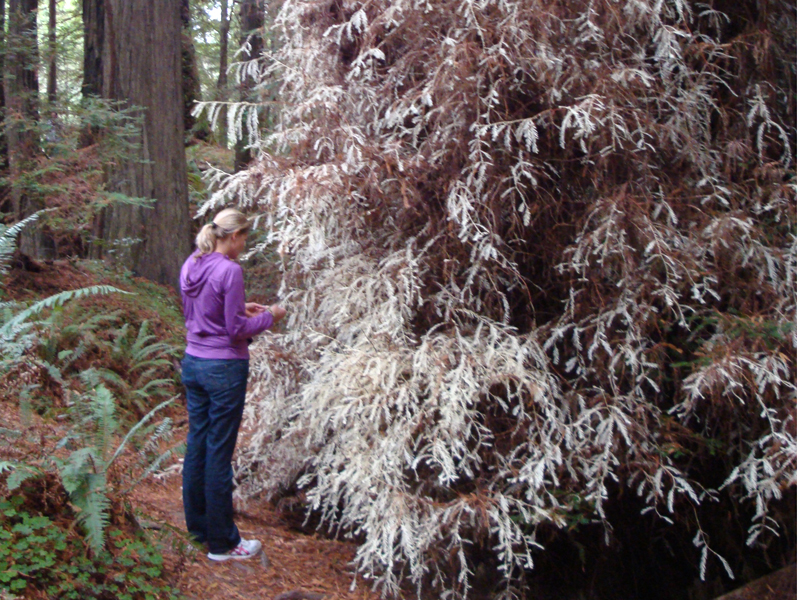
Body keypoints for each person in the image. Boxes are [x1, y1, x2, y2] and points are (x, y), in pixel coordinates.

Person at [178, 207, 286, 561]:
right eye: (244, 238)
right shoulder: (230, 269)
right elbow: (236, 329)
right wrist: (271, 316)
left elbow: (205, 312)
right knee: (219, 453)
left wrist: (243, 307)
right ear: (234, 236)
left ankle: (198, 531)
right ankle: (223, 544)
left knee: (198, 446)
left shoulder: (192, 263)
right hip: (224, 368)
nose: (244, 245)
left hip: (193, 362)